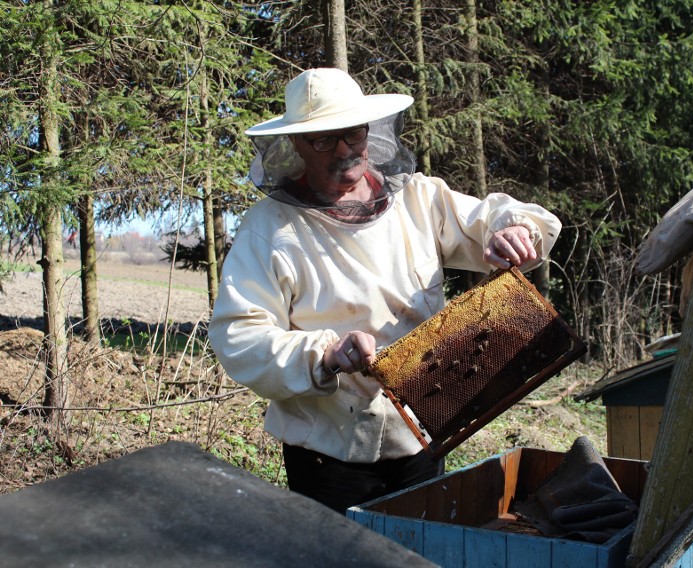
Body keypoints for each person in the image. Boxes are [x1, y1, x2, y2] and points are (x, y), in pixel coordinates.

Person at [208, 67, 562, 513]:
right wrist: (327, 355)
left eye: (352, 133)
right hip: (327, 453)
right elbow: (239, 336)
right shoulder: (268, 229)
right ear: (296, 144)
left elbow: (490, 217)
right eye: (323, 138)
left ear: (370, 131)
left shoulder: (417, 198)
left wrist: (510, 229)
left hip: (420, 433)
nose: (344, 149)